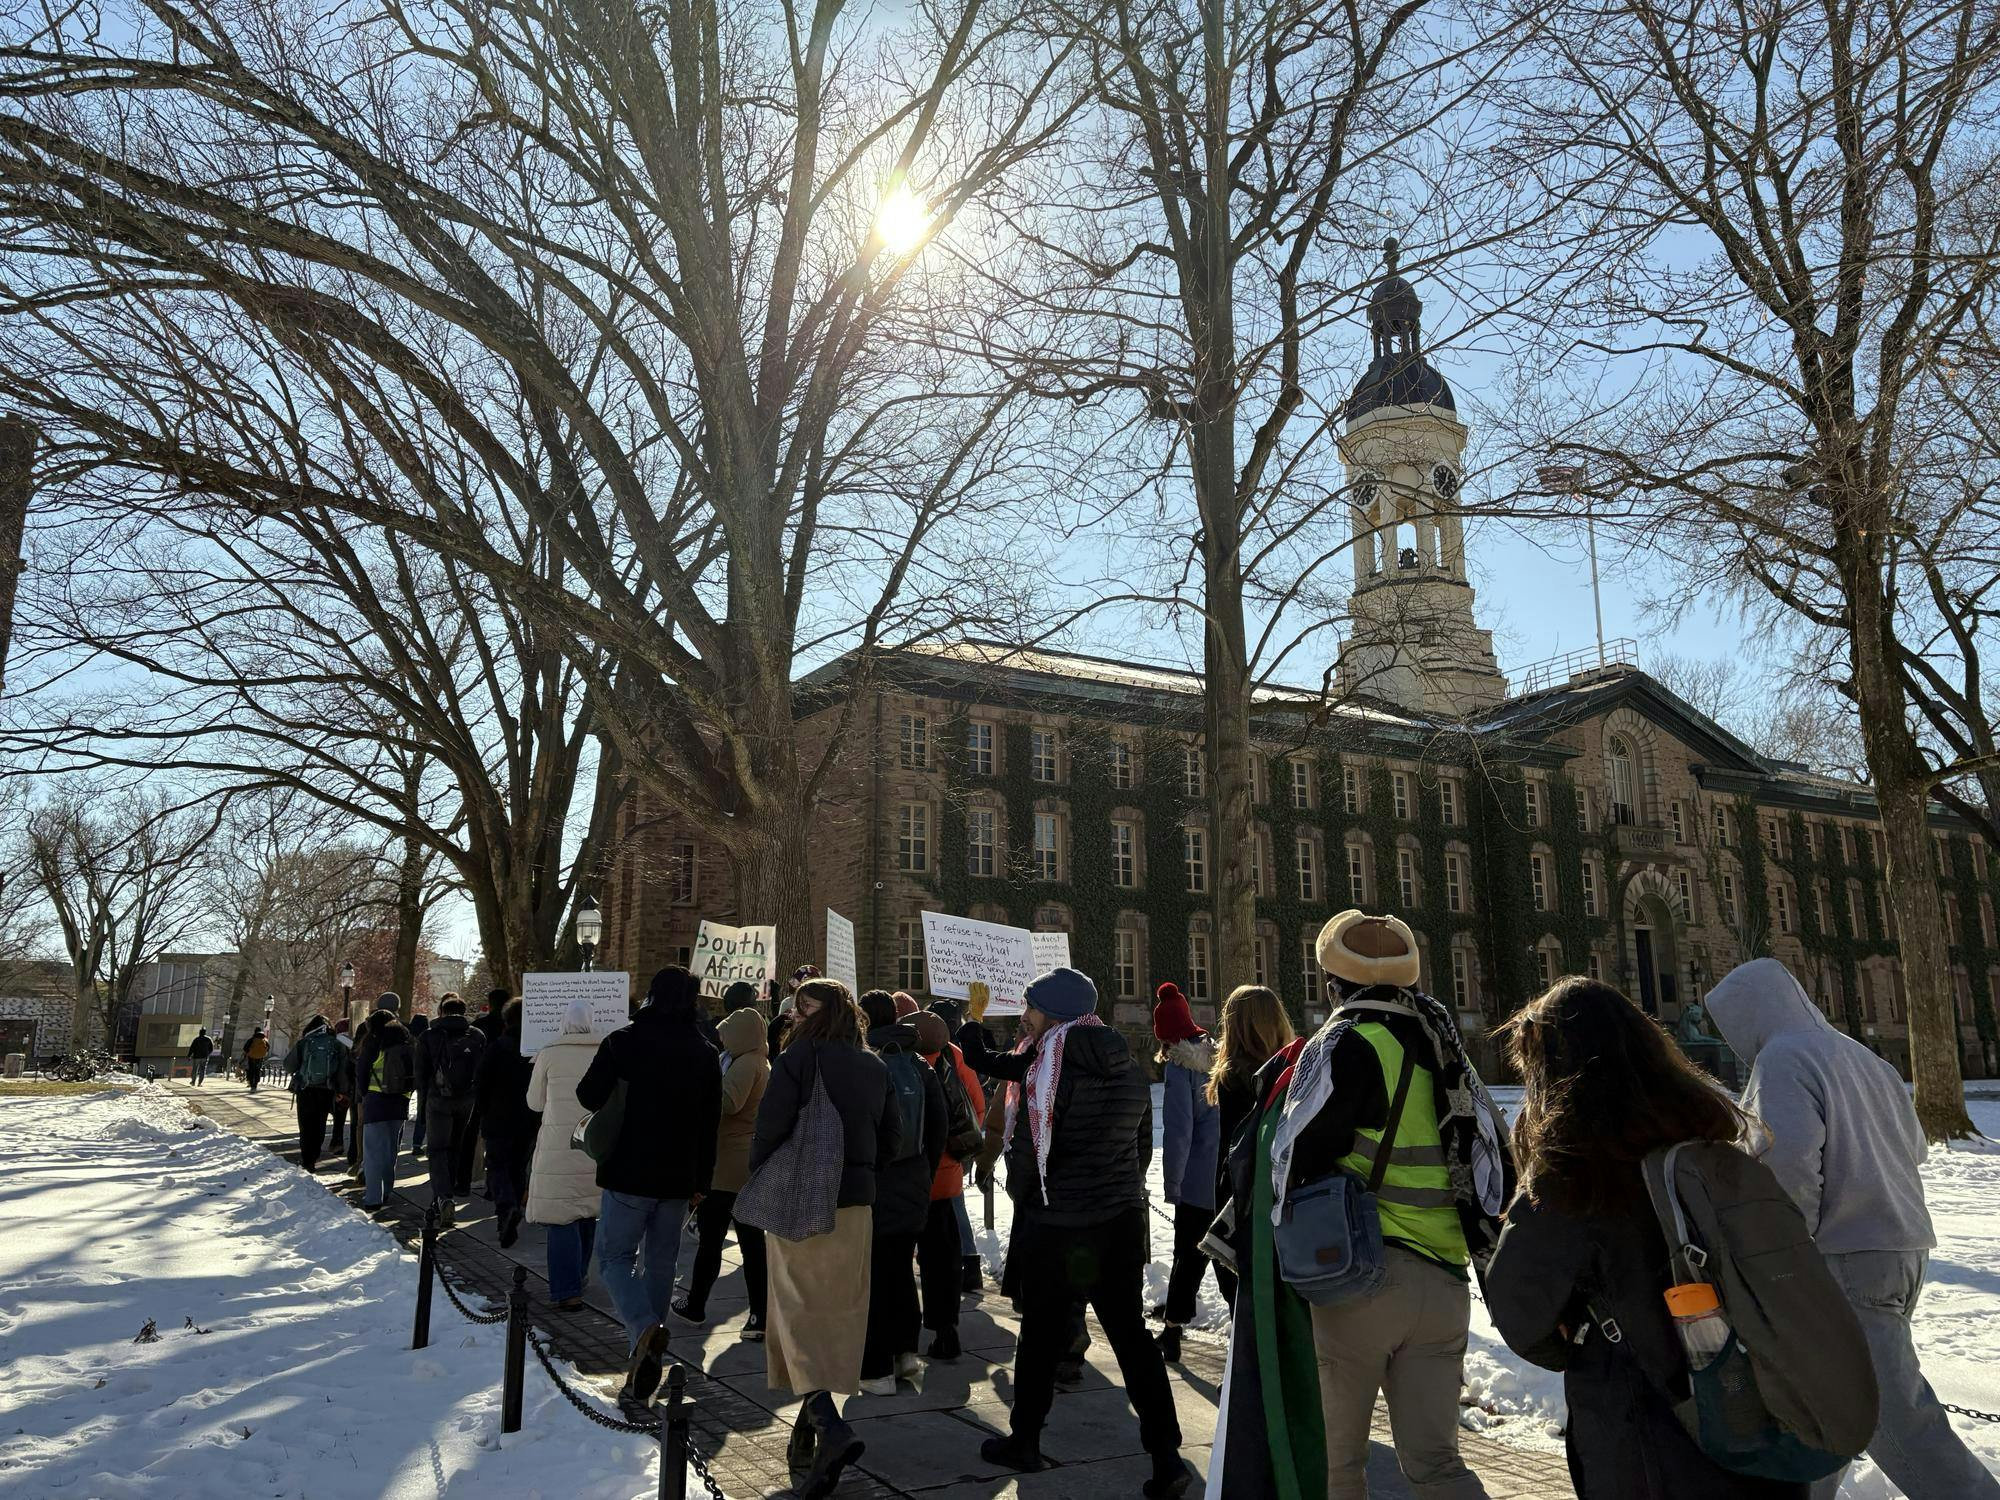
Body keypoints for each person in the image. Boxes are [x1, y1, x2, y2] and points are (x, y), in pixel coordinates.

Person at [1212, 911, 1511, 1500]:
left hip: (1362, 1282)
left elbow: (1293, 1158)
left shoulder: (1347, 1044)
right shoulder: (1446, 1047)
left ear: (1335, 985)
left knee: (1337, 1466)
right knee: (1437, 1466)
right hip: (1445, 1289)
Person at [1484, 976, 1804, 1499]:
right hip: (1754, 1402)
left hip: (1643, 1425)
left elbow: (1520, 1306)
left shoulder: (1572, 1170)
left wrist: (1577, 1342)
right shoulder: (1712, 1135)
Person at [1708, 957, 2000, 1500]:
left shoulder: (1783, 1060)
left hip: (1843, 1257)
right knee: (1827, 1408)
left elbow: (1787, 1166)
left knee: (1887, 1417)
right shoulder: (1864, 1057)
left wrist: (1782, 1253)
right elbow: (1914, 1148)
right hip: (1904, 1246)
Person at [955, 967, 1194, 1499]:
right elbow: (1140, 1147)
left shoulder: (1047, 1064)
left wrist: (971, 1023)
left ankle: (1025, 1440)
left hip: (1059, 1224)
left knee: (1040, 1336)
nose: (1024, 1016)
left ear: (1054, 1013)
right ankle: (1166, 1457)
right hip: (1118, 1220)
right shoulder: (1126, 1064)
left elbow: (997, 1072)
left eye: (1030, 1008)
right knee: (1132, 1339)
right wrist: (1115, 1193)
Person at [750, 977, 900, 1500]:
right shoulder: (874, 1064)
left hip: (800, 1198)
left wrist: (760, 1178)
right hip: (856, 1200)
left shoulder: (798, 1058)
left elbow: (770, 1126)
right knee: (837, 1311)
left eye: (802, 1007)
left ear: (824, 1011)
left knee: (793, 1311)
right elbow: (892, 1138)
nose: (794, 1015)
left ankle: (828, 1426)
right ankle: (809, 1435)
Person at [576, 965, 721, 1401]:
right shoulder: (704, 1050)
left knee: (614, 1257)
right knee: (660, 1263)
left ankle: (643, 1331)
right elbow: (709, 1123)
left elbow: (588, 1096)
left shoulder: (624, 1041)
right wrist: (702, 1179)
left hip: (629, 1169)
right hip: (678, 1175)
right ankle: (648, 1354)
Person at [858, 989, 946, 1397]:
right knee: (900, 1270)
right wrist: (925, 1171)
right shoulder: (917, 1063)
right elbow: (940, 1125)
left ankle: (876, 1369)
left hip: (876, 1181)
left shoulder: (864, 1062)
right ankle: (906, 1352)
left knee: (874, 1276)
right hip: (913, 1179)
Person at [675, 1003, 772, 1335]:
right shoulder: (755, 1059)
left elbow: (730, 1103)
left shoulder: (746, 1064)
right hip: (740, 1162)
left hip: (730, 1163)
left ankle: (698, 1305)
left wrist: (701, 1089)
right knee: (747, 1242)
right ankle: (756, 1314)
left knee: (715, 1240)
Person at [1206, 983, 1295, 1310]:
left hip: (1244, 1205)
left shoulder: (1234, 1077)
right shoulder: (1293, 1071)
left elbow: (1230, 1157)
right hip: (1288, 1201)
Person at [1152, 980, 1220, 1363]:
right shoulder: (1214, 1057)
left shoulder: (1180, 1068)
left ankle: (1173, 1330)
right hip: (1221, 1176)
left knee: (1188, 1254)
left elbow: (1179, 1132)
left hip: (1196, 1180)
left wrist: (1172, 1183)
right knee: (1225, 1258)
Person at [913, 1008, 984, 1360]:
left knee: (897, 1263)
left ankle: (903, 1337)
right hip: (947, 1177)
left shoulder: (902, 1063)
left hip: (908, 1183)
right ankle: (946, 1330)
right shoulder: (954, 1058)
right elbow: (978, 1106)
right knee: (942, 1262)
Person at [526, 999, 602, 1310]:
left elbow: (534, 1103)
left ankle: (567, 1288)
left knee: (561, 1218)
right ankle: (580, 1274)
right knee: (586, 1211)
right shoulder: (604, 1050)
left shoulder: (550, 1052)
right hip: (593, 1142)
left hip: (559, 1146)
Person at [473, 998, 540, 1248]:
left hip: (498, 1117)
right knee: (517, 1166)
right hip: (528, 1117)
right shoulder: (536, 1049)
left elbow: (481, 1082)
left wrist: (483, 1110)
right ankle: (509, 1215)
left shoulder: (498, 1047)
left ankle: (506, 1207)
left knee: (498, 1166)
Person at [417, 994, 486, 1227]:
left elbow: (421, 1074)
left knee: (437, 1150)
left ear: (443, 1012)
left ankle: (443, 1197)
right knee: (455, 1147)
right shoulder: (476, 1035)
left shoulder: (429, 1036)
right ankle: (450, 1192)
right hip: (466, 1100)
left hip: (438, 1099)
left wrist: (423, 1105)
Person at [351, 1007, 418, 1211]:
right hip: (400, 1102)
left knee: (373, 1153)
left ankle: (373, 1198)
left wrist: (365, 1094)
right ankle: (387, 1190)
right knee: (391, 1151)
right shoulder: (407, 1042)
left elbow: (361, 1073)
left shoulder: (373, 1042)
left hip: (375, 1101)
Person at [284, 1016, 350, 1172]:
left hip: (305, 1089)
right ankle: (314, 1155)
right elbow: (342, 1070)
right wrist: (342, 1090)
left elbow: (288, 1066)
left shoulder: (305, 1042)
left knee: (306, 1125)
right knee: (320, 1124)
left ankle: (307, 1159)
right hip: (326, 1089)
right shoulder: (336, 1043)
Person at [326, 1018, 356, 1163]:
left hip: (341, 1087)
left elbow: (335, 1068)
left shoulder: (336, 1044)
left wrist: (335, 1087)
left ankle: (337, 1143)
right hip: (355, 1088)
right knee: (356, 1122)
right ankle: (354, 1151)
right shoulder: (357, 1043)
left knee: (339, 1119)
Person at [406, 1012, 430, 1157]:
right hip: (422, 1078)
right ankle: (417, 1143)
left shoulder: (407, 1039)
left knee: (403, 1110)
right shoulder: (426, 1039)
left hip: (407, 1077)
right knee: (422, 1112)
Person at [242, 1028, 270, 1092]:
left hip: (251, 1058)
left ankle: (252, 1085)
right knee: (257, 1071)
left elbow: (245, 1048)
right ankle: (256, 1085)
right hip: (260, 1058)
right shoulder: (264, 1040)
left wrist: (248, 1053)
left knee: (251, 1070)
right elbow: (268, 1048)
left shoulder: (252, 1039)